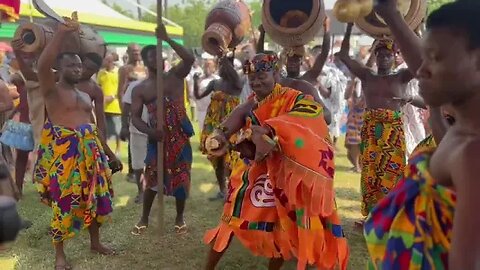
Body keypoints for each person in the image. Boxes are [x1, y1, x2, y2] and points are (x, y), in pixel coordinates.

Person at [203, 53, 348, 270]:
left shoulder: (297, 96)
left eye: (261, 75)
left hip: (288, 171)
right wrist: (217, 139)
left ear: (276, 73)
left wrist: (274, 129)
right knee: (230, 219)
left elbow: (320, 115)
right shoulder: (250, 104)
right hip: (254, 171)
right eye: (251, 78)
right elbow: (225, 126)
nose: (256, 81)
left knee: (284, 225)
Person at [363, 0, 480, 269]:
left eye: (436, 58)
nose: (421, 70)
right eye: (425, 57)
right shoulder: (459, 127)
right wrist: (390, 14)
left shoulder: (473, 153)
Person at [32, 18, 120, 269]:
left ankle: (95, 242)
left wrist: (110, 154)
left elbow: (92, 128)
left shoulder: (85, 95)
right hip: (66, 157)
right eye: (71, 64)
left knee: (95, 196)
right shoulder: (52, 91)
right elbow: (42, 66)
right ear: (58, 70)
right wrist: (61, 34)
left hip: (91, 153)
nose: (77, 68)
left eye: (79, 64)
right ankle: (60, 256)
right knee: (64, 202)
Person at [335, 23, 426, 225]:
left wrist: (413, 32)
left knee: (392, 172)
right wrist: (349, 25)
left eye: (388, 55)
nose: (384, 58)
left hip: (392, 132)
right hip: (371, 131)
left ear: (394, 57)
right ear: (375, 57)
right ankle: (372, 215)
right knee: (370, 173)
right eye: (380, 55)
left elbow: (422, 59)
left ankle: (392, 215)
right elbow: (344, 56)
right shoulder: (368, 76)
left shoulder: (401, 77)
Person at [130, 24, 195, 235]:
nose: (155, 59)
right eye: (151, 57)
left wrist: (167, 38)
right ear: (146, 61)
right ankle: (144, 218)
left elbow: (189, 59)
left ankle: (179, 218)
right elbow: (136, 119)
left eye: (159, 55)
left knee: (181, 177)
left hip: (179, 136)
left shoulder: (175, 76)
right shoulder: (140, 88)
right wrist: (151, 133)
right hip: (156, 139)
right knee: (151, 179)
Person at [195, 56, 242, 201]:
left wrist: (226, 60)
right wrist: (195, 81)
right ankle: (223, 191)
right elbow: (198, 95)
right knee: (216, 157)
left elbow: (236, 81)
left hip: (232, 125)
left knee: (231, 158)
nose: (220, 68)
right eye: (219, 65)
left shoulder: (236, 84)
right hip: (214, 125)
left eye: (223, 65)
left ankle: (233, 191)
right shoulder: (214, 83)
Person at [118, 43, 147, 182]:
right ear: (128, 52)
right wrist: (122, 109)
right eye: (133, 51)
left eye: (138, 51)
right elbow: (121, 90)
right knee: (132, 140)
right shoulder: (124, 69)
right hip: (129, 105)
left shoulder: (145, 68)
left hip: (144, 107)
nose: (136, 54)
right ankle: (132, 171)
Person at [121, 79, 147, 204]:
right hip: (137, 130)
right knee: (138, 164)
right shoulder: (135, 85)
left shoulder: (164, 84)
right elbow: (126, 106)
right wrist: (124, 126)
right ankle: (141, 192)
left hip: (159, 131)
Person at [97, 53, 122, 154]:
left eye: (106, 60)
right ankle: (105, 149)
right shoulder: (101, 73)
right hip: (103, 106)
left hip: (115, 106)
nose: (103, 62)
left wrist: (112, 96)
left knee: (117, 130)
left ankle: (118, 149)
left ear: (111, 61)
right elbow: (98, 86)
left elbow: (122, 87)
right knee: (104, 129)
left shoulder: (118, 72)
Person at [344, 77, 365, 172]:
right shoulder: (354, 80)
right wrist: (352, 82)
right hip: (353, 116)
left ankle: (358, 166)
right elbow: (346, 96)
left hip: (363, 115)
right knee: (350, 147)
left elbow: (360, 102)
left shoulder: (368, 79)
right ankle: (357, 166)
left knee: (356, 142)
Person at [193, 59, 218, 128]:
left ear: (214, 68)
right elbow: (195, 96)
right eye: (206, 66)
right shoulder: (198, 79)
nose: (208, 68)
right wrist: (196, 82)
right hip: (202, 111)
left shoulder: (217, 79)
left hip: (214, 112)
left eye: (210, 66)